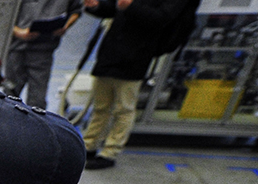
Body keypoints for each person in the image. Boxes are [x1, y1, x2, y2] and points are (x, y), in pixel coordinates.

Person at [81, 0, 199, 169]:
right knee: (100, 106)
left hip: (136, 55)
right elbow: (113, 7)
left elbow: (161, 19)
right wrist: (96, 6)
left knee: (123, 108)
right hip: (110, 51)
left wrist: (130, 6)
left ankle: (110, 151)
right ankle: (89, 145)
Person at [3, 0, 82, 110]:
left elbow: (76, 11)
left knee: (37, 102)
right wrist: (18, 32)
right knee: (8, 98)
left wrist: (65, 26)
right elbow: (2, 15)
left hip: (43, 50)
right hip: (17, 49)